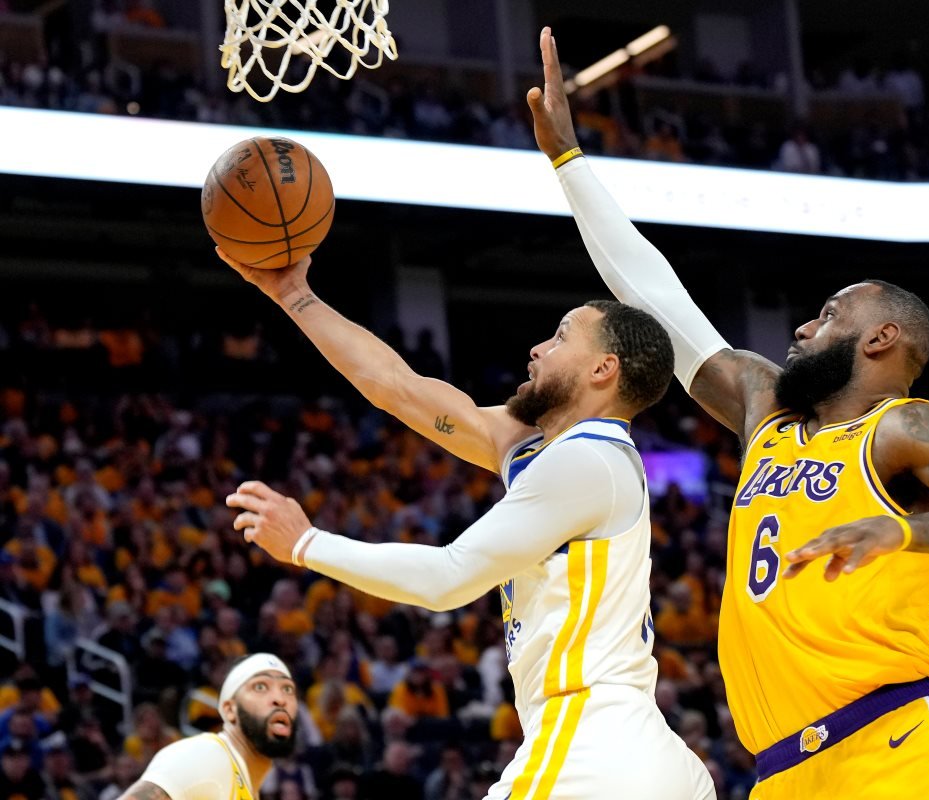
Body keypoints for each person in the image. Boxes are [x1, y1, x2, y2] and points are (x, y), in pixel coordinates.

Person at [526, 26, 929, 799]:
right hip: (783, 771)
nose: (804, 327)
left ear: (881, 339)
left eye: (829, 313)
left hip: (897, 743)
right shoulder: (764, 407)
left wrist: (905, 529)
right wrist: (570, 165)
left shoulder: (906, 431)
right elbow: (655, 298)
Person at [217, 248, 714, 800]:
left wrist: (306, 544)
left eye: (561, 336)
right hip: (639, 749)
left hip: (591, 737)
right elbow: (396, 387)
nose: (538, 348)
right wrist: (294, 295)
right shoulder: (543, 449)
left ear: (603, 369)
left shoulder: (587, 460)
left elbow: (446, 578)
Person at [115, 653, 298, 800]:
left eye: (287, 689)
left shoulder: (242, 781)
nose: (279, 699)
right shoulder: (205, 756)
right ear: (229, 709)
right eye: (260, 687)